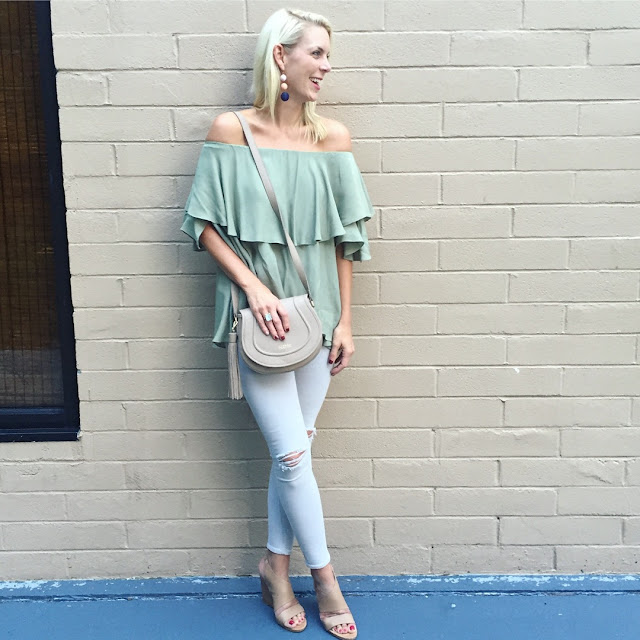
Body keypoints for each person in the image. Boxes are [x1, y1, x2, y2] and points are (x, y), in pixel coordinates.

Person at [180, 8, 373, 639]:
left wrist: (345, 322)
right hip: (260, 320)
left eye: (327, 55)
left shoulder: (333, 139)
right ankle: (327, 580)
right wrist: (254, 286)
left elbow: (346, 242)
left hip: (319, 321)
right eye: (316, 53)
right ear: (279, 58)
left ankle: (275, 567)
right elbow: (204, 225)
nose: (326, 66)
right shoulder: (231, 130)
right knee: (292, 456)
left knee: (295, 457)